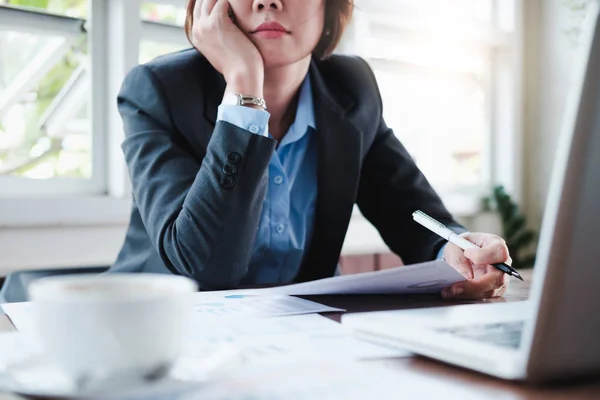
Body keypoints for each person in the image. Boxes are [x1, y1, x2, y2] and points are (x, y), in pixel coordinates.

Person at [110, 0, 513, 300]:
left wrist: (461, 250)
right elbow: (206, 268)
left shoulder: (352, 88)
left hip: (297, 339)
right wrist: (244, 92)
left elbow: (413, 214)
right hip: (154, 335)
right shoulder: (159, 91)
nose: (268, 2)